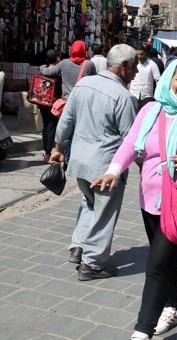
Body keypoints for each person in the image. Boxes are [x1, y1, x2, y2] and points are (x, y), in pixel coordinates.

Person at [90, 59, 177, 340]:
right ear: (167, 80)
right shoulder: (150, 110)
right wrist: (114, 171)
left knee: (155, 266)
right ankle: (174, 307)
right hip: (149, 200)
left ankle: (142, 330)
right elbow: (130, 143)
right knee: (166, 261)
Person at [49, 44, 139, 281]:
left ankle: (78, 246)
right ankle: (92, 263)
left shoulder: (83, 85)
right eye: (135, 67)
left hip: (79, 162)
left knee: (89, 204)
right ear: (124, 67)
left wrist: (58, 148)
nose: (137, 73)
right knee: (103, 213)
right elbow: (130, 140)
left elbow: (66, 120)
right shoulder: (123, 97)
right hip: (106, 168)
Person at [39, 50, 61, 163]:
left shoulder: (42, 70)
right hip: (54, 103)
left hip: (43, 102)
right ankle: (48, 154)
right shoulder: (58, 72)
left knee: (45, 126)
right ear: (57, 59)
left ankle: (46, 152)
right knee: (52, 126)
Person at [130, 44, 161, 110]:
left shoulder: (152, 64)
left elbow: (158, 80)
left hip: (147, 96)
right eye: (137, 54)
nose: (139, 56)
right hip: (133, 94)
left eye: (141, 54)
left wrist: (158, 96)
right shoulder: (132, 63)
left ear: (145, 53)